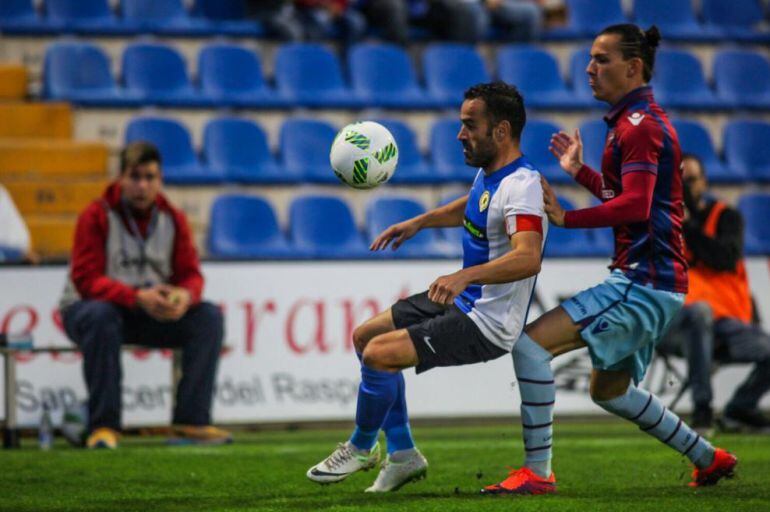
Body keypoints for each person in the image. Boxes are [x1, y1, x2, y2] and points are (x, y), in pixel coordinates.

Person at [481, 24, 737, 496]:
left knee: (530, 346)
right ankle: (709, 456)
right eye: (591, 58)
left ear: (633, 67)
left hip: (642, 281)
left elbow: (636, 207)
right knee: (609, 390)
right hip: (656, 281)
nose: (589, 68)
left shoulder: (639, 128)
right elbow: (634, 198)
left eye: (601, 59)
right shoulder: (635, 124)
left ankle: (537, 473)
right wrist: (581, 171)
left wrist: (567, 217)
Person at [306, 81, 547, 492]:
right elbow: (473, 207)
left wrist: (465, 275)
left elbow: (528, 256)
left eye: (470, 125)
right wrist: (420, 221)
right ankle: (403, 453)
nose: (460, 134)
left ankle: (362, 447)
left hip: (487, 322)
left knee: (381, 355)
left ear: (501, 132)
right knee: (366, 337)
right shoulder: (490, 175)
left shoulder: (523, 185)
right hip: (464, 301)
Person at [59, 142, 230, 449]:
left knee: (208, 317)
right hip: (87, 311)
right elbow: (85, 281)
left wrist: (183, 296)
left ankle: (191, 422)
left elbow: (192, 274)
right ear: (120, 177)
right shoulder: (95, 216)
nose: (142, 185)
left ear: (160, 179)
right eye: (135, 177)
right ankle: (104, 426)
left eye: (150, 177)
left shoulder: (173, 218)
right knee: (101, 316)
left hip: (147, 311)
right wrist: (136, 296)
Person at [657, 153, 770, 434]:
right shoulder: (659, 226)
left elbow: (725, 258)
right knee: (699, 313)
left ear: (704, 182)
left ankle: (740, 409)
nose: (685, 187)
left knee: (705, 314)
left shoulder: (726, 217)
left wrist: (687, 226)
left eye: (691, 180)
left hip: (728, 325)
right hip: (679, 325)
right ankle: (703, 410)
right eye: (679, 182)